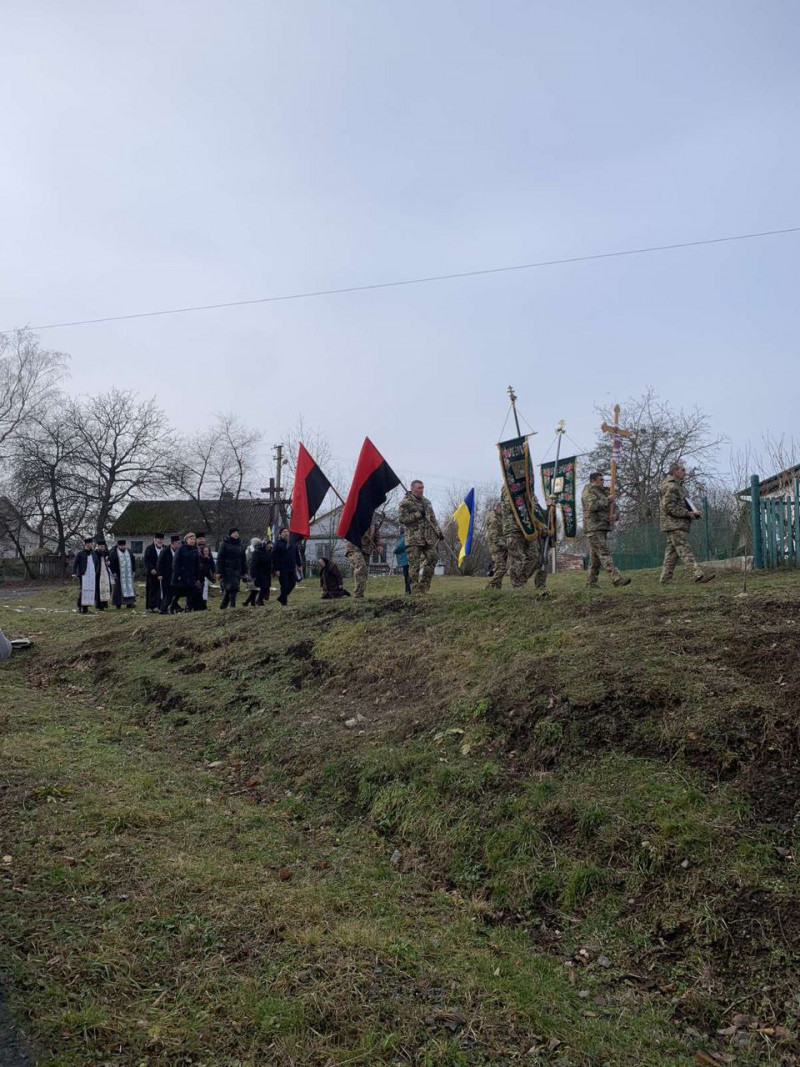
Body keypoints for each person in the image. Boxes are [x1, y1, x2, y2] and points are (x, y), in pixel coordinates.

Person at [659, 461, 715, 584]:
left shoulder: (678, 486)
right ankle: (698, 575)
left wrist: (693, 512)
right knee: (684, 549)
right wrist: (687, 513)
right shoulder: (671, 486)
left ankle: (665, 579)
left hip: (675, 524)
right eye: (682, 470)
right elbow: (669, 507)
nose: (685, 472)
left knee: (672, 553)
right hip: (674, 524)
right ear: (674, 471)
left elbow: (680, 504)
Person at [580, 473, 631, 589]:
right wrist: (607, 500)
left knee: (595, 558)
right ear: (593, 480)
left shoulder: (604, 492)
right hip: (594, 527)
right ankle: (616, 579)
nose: (603, 481)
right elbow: (592, 505)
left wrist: (615, 515)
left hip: (603, 526)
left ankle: (591, 583)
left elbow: (615, 507)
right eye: (601, 479)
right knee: (604, 553)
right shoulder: (589, 491)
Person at [398, 480, 443, 594]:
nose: (421, 490)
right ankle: (415, 590)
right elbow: (402, 519)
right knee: (414, 565)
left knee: (433, 557)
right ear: (412, 488)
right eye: (419, 488)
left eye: (422, 488)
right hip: (414, 538)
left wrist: (438, 531)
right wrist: (417, 515)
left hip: (427, 538)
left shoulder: (427, 502)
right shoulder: (406, 502)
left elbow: (432, 519)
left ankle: (424, 587)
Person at [502, 490, 547, 590]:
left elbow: (535, 511)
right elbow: (509, 506)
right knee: (517, 557)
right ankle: (517, 586)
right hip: (514, 528)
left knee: (534, 556)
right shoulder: (509, 486)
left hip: (529, 528)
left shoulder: (527, 486)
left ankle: (521, 580)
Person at [345, 519, 381, 599]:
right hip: (354, 546)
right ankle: (358, 594)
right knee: (361, 566)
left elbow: (376, 532)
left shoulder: (372, 517)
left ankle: (360, 594)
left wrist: (378, 544)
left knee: (365, 571)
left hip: (367, 548)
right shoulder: (356, 513)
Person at [216, 526, 247, 609]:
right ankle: (232, 606)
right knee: (230, 588)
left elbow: (243, 559)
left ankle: (224, 606)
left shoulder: (240, 545)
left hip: (237, 570)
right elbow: (220, 558)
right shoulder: (225, 544)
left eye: (237, 533)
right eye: (234, 533)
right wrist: (218, 571)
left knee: (234, 588)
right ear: (230, 535)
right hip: (227, 570)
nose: (236, 534)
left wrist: (244, 572)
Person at [171, 532, 201, 612]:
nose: (192, 541)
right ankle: (172, 606)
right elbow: (176, 563)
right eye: (191, 539)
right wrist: (177, 574)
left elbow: (197, 564)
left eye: (194, 539)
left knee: (191, 592)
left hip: (191, 575)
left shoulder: (195, 550)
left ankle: (188, 608)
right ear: (186, 540)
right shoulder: (181, 549)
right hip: (182, 574)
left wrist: (197, 577)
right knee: (179, 593)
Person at [273, 527, 301, 606]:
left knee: (292, 584)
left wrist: (299, 565)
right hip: (282, 569)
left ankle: (282, 597)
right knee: (284, 585)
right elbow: (275, 558)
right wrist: (276, 569)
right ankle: (284, 601)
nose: (286, 533)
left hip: (291, 568)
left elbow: (296, 555)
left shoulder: (292, 543)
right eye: (284, 532)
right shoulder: (278, 544)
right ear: (280, 534)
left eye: (287, 532)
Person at [485, 502, 508, 590]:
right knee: (502, 568)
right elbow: (494, 536)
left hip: (501, 547)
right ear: (498, 508)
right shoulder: (493, 518)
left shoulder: (500, 517)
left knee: (499, 568)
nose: (504, 512)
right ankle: (489, 585)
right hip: (496, 547)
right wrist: (506, 544)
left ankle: (497, 588)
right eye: (503, 509)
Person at [109, 538, 137, 609]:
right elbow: (111, 563)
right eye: (121, 546)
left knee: (129, 588)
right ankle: (118, 604)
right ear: (118, 546)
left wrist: (134, 571)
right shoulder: (114, 553)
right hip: (119, 574)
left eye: (123, 546)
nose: (122, 547)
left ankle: (130, 603)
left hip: (128, 574)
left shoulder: (129, 552)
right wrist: (114, 572)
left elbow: (133, 562)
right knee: (118, 590)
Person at [246, 537, 273, 605]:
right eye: (268, 544)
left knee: (265, 587)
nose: (269, 545)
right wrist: (253, 574)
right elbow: (253, 564)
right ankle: (259, 601)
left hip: (267, 572)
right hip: (259, 572)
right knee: (262, 586)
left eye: (270, 544)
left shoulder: (269, 552)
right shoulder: (257, 552)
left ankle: (258, 600)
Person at [72, 536, 96, 613]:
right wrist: (74, 573)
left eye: (92, 543)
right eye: (91, 543)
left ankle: (86, 608)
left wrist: (96, 571)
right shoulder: (80, 554)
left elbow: (97, 563)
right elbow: (75, 563)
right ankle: (80, 606)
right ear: (86, 544)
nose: (92, 544)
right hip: (84, 574)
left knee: (90, 591)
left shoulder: (93, 553)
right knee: (84, 590)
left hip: (92, 574)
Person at [158, 534, 181, 614]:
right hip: (166, 575)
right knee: (168, 593)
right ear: (173, 543)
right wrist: (160, 574)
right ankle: (163, 609)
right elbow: (160, 563)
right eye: (177, 543)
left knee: (175, 592)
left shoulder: (178, 551)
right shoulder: (165, 551)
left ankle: (175, 607)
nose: (178, 544)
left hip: (175, 576)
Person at [143, 534, 164, 612]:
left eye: (161, 539)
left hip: (161, 573)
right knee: (152, 589)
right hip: (152, 573)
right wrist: (151, 568)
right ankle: (151, 606)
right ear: (155, 539)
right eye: (158, 539)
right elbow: (147, 560)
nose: (160, 541)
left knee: (161, 590)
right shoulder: (150, 549)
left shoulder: (164, 548)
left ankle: (160, 605)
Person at [93, 539, 113, 609]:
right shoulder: (94, 553)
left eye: (103, 547)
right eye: (101, 547)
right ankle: (99, 605)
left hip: (105, 573)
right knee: (99, 589)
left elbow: (109, 560)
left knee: (106, 588)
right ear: (98, 547)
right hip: (98, 573)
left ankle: (105, 603)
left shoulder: (106, 553)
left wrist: (109, 563)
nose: (102, 548)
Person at [243, 537, 262, 607]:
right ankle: (248, 602)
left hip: (254, 570)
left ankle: (251, 603)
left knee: (254, 588)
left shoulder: (253, 550)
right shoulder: (249, 551)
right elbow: (247, 561)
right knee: (255, 589)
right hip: (250, 571)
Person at [196, 544, 215, 610]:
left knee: (201, 593)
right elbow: (198, 570)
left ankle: (202, 608)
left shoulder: (207, 559)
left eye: (208, 551)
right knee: (198, 594)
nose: (207, 552)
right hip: (197, 579)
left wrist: (212, 579)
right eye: (205, 551)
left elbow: (206, 572)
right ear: (202, 552)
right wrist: (197, 580)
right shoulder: (199, 559)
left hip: (202, 579)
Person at [393, 527, 412, 595]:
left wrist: (395, 550)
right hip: (407, 559)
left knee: (407, 575)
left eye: (400, 530)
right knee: (407, 575)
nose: (399, 531)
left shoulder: (404, 537)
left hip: (406, 559)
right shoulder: (404, 537)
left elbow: (400, 546)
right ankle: (407, 590)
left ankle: (408, 590)